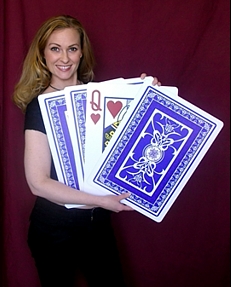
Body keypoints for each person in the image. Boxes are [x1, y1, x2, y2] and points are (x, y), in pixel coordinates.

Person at [13, 15, 161, 287]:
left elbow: (140, 142)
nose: (64, 58)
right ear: (43, 54)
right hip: (53, 230)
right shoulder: (40, 107)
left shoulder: (107, 97)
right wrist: (103, 201)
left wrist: (148, 96)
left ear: (82, 52)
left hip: (97, 225)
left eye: (72, 48)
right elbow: (38, 183)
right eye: (55, 48)